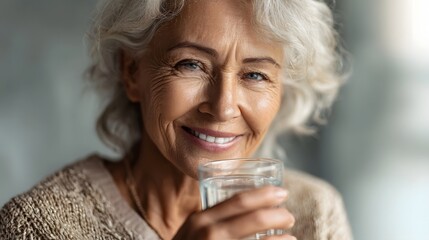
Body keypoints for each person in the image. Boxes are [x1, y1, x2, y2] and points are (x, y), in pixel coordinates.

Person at [0, 0, 353, 239]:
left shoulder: (314, 214)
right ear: (132, 72)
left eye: (255, 75)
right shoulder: (40, 226)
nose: (223, 106)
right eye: (191, 65)